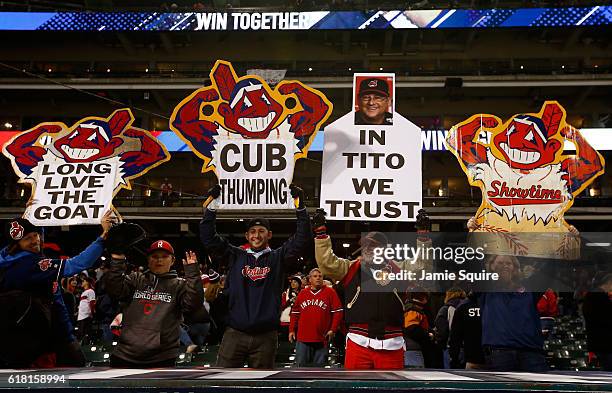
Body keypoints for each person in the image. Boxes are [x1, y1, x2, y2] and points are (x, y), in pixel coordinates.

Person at [200, 183, 311, 369]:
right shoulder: (235, 255)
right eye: (252, 231)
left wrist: (300, 208)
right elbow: (209, 238)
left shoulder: (277, 257)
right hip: (235, 333)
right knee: (222, 382)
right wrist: (211, 207)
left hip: (266, 336)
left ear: (269, 234)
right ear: (246, 235)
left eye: (261, 231)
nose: (256, 235)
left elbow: (302, 239)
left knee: (261, 385)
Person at [0, 212, 113, 367]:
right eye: (28, 239)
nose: (35, 241)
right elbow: (76, 264)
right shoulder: (27, 264)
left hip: (29, 338)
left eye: (36, 235)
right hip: (45, 341)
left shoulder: (8, 259)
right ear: (16, 245)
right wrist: (103, 238)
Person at [314, 211, 411, 369]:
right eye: (365, 245)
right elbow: (327, 263)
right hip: (358, 342)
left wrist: (423, 237)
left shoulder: (399, 269)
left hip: (392, 344)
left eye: (374, 246)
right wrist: (321, 234)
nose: (368, 249)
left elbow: (421, 268)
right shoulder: (351, 267)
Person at [104, 242, 204, 368]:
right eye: (155, 256)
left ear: (172, 260)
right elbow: (114, 290)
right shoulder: (136, 279)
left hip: (162, 358)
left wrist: (193, 274)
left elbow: (193, 305)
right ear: (148, 259)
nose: (159, 260)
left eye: (164, 256)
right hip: (125, 355)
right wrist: (117, 261)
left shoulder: (179, 286)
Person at [479, 254, 548, 372]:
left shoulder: (530, 288)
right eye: (500, 263)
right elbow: (474, 264)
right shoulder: (485, 288)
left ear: (515, 269)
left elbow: (549, 271)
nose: (504, 266)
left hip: (531, 354)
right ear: (491, 267)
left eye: (508, 263)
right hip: (500, 355)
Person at [289, 268, 343, 367]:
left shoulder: (330, 292)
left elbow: (338, 312)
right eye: (315, 276)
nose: (318, 278)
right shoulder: (303, 293)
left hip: (322, 338)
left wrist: (333, 329)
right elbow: (295, 313)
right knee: (300, 370)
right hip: (303, 338)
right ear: (310, 279)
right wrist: (291, 330)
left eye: (320, 276)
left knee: (319, 371)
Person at [582, 272, 612, 371]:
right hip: (604, 342)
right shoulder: (600, 297)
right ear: (608, 282)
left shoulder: (591, 295)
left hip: (597, 341)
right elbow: (606, 319)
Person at [448, 292, 486, 369]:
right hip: (496, 355)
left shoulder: (463, 306)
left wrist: (454, 359)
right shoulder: (493, 304)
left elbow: (455, 336)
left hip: (472, 357)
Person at [434, 287, 466, 368]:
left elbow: (442, 330)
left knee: (451, 374)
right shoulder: (468, 306)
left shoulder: (446, 309)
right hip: (467, 347)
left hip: (450, 347)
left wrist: (438, 340)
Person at [76, 277, 96, 342]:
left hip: (86, 316)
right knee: (80, 334)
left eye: (83, 281)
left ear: (87, 282)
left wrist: (92, 313)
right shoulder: (84, 292)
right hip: (81, 316)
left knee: (85, 334)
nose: (82, 282)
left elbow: (92, 302)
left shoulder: (91, 291)